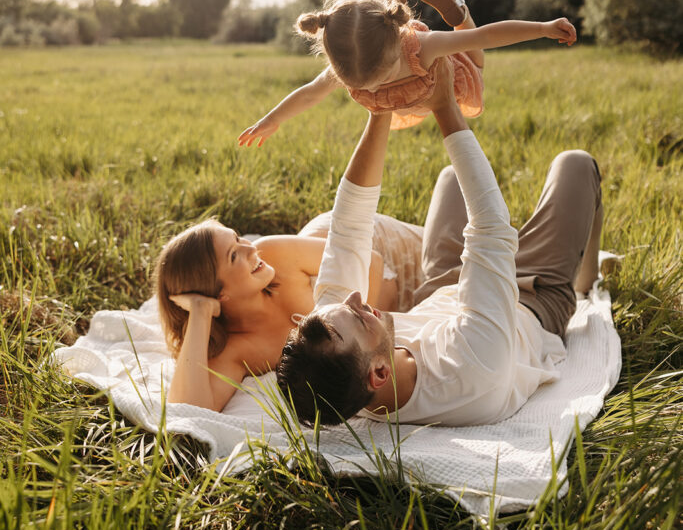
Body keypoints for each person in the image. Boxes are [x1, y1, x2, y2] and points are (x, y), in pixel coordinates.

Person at [276, 60, 604, 428]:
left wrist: (380, 109)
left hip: (441, 287)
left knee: (451, 178)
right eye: (358, 315)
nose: (354, 299)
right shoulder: (473, 368)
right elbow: (492, 227)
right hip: (530, 297)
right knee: (575, 164)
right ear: (380, 373)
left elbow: (349, 227)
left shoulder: (338, 346)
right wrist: (444, 106)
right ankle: (585, 279)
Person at [238, 0, 576, 143]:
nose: (369, 90)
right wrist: (271, 119)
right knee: (390, 36)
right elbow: (310, 94)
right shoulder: (350, 61)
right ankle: (394, 6)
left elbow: (488, 36)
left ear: (398, 47)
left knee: (476, 58)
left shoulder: (424, 48)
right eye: (360, 86)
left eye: (378, 77)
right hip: (403, 73)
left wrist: (543, 28)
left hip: (445, 73)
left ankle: (458, 12)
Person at [156, 207, 425, 412]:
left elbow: (372, 263)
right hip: (399, 306)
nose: (251, 247)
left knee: (455, 251)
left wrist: (369, 336)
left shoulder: (272, 253)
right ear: (218, 293)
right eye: (234, 255)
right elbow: (189, 410)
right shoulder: (237, 350)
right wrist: (200, 312)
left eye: (237, 238)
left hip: (382, 246)